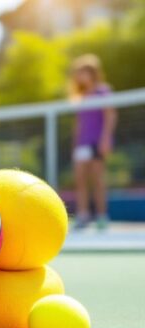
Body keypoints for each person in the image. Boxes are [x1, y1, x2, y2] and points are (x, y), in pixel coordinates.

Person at [69, 54, 116, 231]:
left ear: (92, 73)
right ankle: (83, 215)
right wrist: (75, 143)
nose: (80, 76)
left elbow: (110, 115)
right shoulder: (80, 96)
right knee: (80, 179)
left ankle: (102, 216)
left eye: (83, 72)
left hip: (97, 142)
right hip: (82, 144)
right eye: (78, 73)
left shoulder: (103, 91)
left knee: (97, 180)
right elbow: (79, 123)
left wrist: (105, 139)